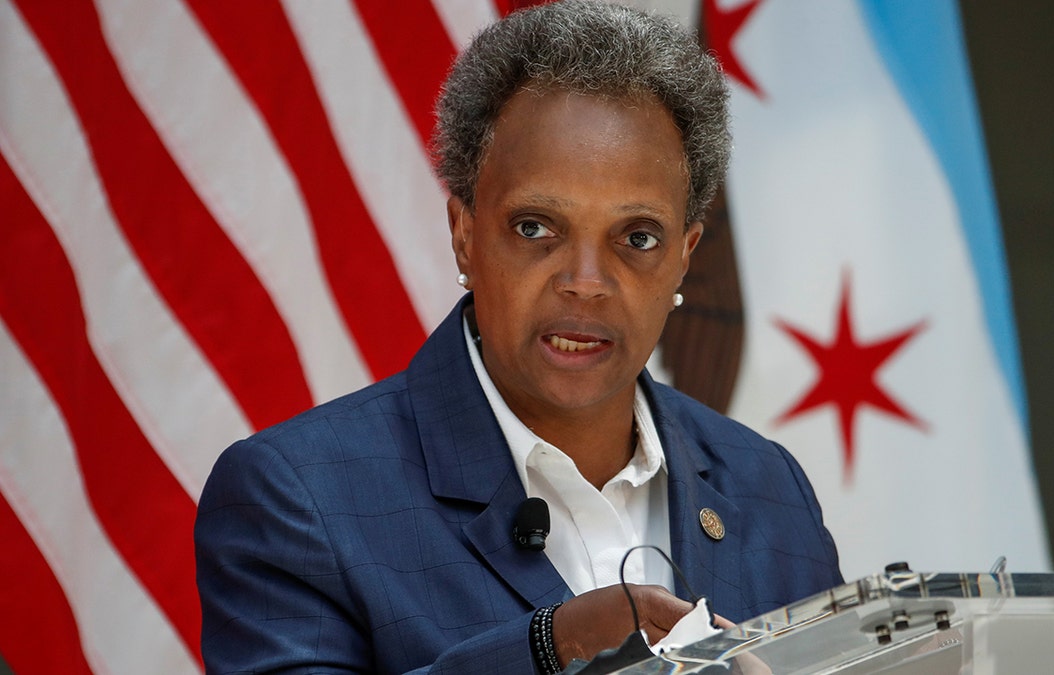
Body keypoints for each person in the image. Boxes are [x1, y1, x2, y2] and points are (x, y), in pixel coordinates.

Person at [194, 2, 842, 673]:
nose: (586, 282)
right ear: (465, 235)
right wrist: (550, 646)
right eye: (536, 227)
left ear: (685, 255)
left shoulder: (770, 489)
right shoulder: (298, 497)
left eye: (637, 238)